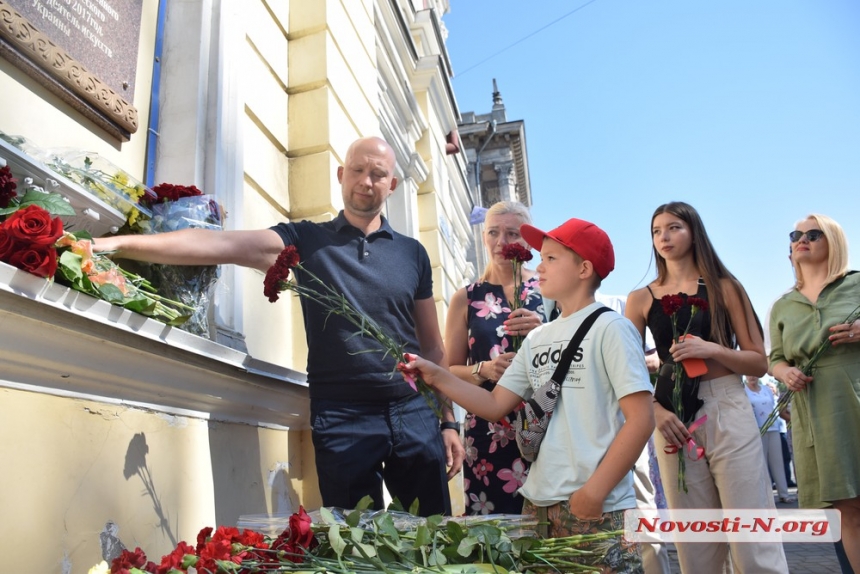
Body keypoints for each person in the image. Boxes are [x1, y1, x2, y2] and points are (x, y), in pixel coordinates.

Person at [94, 136, 465, 516]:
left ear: (392, 185)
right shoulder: (305, 240)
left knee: (432, 533)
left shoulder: (412, 253)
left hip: (413, 410)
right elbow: (217, 244)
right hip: (342, 415)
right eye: (357, 170)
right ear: (341, 174)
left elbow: (432, 347)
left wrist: (448, 422)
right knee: (357, 544)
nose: (366, 181)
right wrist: (118, 245)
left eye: (378, 174)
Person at [404, 218, 655, 573]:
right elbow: (494, 404)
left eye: (551, 258)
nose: (539, 265)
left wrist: (595, 492)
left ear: (584, 269)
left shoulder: (612, 328)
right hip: (537, 504)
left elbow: (642, 419)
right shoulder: (538, 339)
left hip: (600, 506)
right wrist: (437, 376)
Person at [625, 201, 788, 573]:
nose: (663, 237)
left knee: (750, 532)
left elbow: (759, 361)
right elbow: (627, 372)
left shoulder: (725, 287)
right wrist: (656, 410)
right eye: (656, 230)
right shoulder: (640, 299)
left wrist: (711, 348)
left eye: (674, 227)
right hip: (672, 417)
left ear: (694, 232)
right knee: (695, 543)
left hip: (727, 404)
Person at [769, 214, 860, 571]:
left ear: (833, 242)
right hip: (817, 412)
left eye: (812, 233)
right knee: (846, 509)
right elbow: (774, 357)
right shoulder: (782, 306)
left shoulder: (856, 285)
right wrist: (785, 372)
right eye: (795, 234)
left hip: (855, 395)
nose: (801, 239)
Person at [444, 201, 545, 515]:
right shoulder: (467, 297)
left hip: (544, 424)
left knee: (548, 530)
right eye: (493, 232)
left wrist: (545, 330)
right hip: (487, 432)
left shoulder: (548, 289)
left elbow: (575, 350)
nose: (502, 242)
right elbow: (448, 371)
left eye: (512, 233)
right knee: (496, 533)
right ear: (483, 236)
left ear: (527, 240)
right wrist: (483, 369)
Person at [743, 375, 795, 503]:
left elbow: (773, 407)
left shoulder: (766, 389)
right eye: (748, 374)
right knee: (762, 464)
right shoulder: (743, 391)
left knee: (778, 462)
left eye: (753, 373)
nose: (751, 377)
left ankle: (784, 494)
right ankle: (766, 497)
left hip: (773, 428)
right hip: (757, 431)